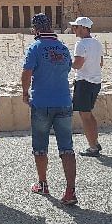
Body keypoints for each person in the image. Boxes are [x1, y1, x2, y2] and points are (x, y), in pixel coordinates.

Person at [21, 12, 78, 206]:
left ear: (35, 29)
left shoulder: (35, 47)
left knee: (40, 148)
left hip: (41, 103)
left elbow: (26, 73)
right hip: (63, 101)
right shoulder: (63, 47)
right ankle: (70, 190)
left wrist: (24, 93)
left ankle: (43, 183)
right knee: (67, 148)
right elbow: (68, 68)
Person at [69, 16, 104, 157]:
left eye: (76, 27)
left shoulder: (81, 44)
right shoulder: (97, 43)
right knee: (88, 113)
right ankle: (95, 142)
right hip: (96, 81)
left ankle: (93, 147)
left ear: (84, 28)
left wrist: (66, 63)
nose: (74, 29)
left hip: (84, 82)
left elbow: (77, 64)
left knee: (85, 115)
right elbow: (101, 63)